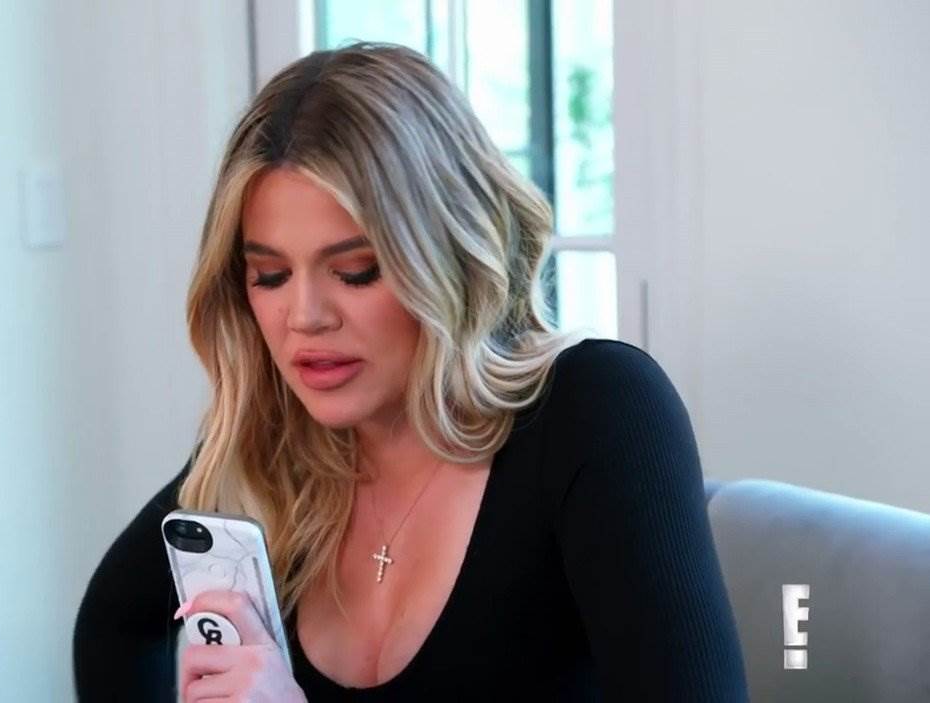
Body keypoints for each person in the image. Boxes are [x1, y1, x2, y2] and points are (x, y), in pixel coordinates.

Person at [73, 42, 749, 702]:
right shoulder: (267, 452)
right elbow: (111, 630)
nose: (304, 316)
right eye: (270, 275)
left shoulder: (599, 412)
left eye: (356, 270)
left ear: (448, 257)